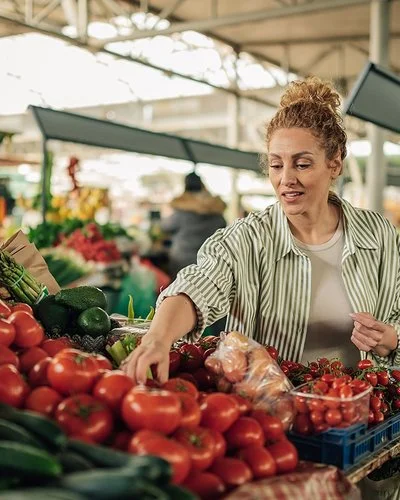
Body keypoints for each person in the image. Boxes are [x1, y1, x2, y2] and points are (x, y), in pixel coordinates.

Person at [122, 77, 400, 385]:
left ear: (334, 164)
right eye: (276, 165)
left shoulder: (380, 236)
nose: (286, 179)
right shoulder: (247, 240)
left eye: (303, 165)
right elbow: (198, 286)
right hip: (270, 412)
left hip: (360, 409)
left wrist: (391, 340)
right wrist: (158, 338)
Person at [161, 171, 226, 279]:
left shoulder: (183, 206)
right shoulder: (215, 206)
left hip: (182, 259)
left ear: (185, 185)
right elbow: (223, 228)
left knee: (180, 290)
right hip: (208, 260)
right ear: (202, 184)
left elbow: (166, 226)